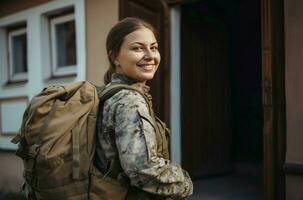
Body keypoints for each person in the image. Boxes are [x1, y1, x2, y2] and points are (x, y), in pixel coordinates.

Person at [94, 17, 193, 200]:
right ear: (115, 57)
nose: (150, 55)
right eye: (138, 48)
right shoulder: (129, 101)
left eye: (153, 47)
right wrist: (185, 183)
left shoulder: (107, 93)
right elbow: (143, 170)